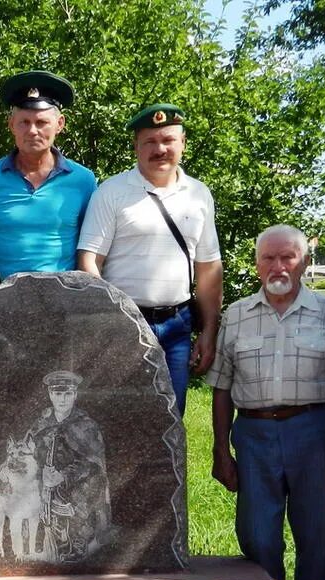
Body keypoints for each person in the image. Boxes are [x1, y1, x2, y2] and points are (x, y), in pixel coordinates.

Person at [206, 225, 325, 580]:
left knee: (317, 537)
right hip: (254, 435)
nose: (278, 267)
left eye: (288, 258)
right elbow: (221, 388)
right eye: (268, 258)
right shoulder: (236, 314)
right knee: (257, 535)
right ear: (255, 264)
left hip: (315, 431)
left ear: (304, 262)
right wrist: (221, 450)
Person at [77, 103, 223, 414]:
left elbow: (209, 269)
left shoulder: (199, 195)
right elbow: (89, 261)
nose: (160, 149)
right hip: (125, 325)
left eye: (168, 140)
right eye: (150, 142)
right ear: (136, 147)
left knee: (171, 419)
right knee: (121, 420)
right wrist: (113, 322)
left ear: (182, 143)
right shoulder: (111, 192)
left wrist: (209, 331)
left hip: (177, 326)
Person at [0, 70, 97, 279]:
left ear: (60, 124)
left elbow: (89, 248)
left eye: (41, 122)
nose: (32, 131)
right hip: (4, 301)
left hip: (65, 300)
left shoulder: (83, 180)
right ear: (11, 125)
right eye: (24, 122)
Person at [25, 371, 110, 563]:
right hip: (45, 485)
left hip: (77, 484)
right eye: (57, 394)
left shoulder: (86, 426)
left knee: (82, 494)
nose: (62, 399)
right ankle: (38, 539)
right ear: (50, 395)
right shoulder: (40, 425)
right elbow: (29, 453)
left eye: (67, 394)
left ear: (75, 395)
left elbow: (94, 462)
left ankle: (78, 541)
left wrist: (62, 476)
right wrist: (42, 472)